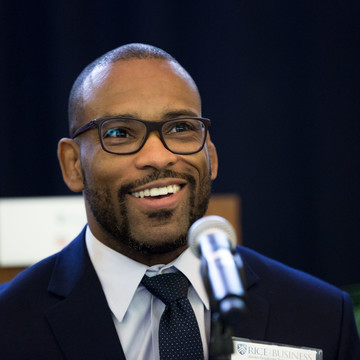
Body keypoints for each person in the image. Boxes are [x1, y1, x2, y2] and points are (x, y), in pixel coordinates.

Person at [0, 43, 359, 359]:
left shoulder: (322, 316)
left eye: (181, 128)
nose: (158, 157)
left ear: (212, 157)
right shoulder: (10, 324)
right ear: (73, 164)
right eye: (120, 133)